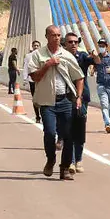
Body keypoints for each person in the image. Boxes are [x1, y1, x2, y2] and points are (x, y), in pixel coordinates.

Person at [28, 25, 84, 181]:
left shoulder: (67, 55)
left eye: (59, 35)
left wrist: (78, 97)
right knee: (50, 133)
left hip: (65, 100)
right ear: (47, 36)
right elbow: (35, 78)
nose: (57, 38)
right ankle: (51, 159)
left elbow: (79, 77)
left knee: (68, 136)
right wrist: (47, 64)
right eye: (53, 35)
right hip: (47, 102)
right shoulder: (37, 55)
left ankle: (65, 168)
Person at [63, 32, 100, 174]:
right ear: (65, 44)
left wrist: (95, 54)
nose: (73, 44)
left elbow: (97, 62)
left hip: (82, 97)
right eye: (70, 42)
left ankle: (78, 159)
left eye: (75, 42)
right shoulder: (61, 57)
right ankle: (71, 161)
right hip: (65, 97)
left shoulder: (82, 56)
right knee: (68, 129)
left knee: (79, 130)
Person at [22, 40, 41, 123]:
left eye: (37, 46)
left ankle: (44, 115)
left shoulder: (42, 55)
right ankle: (37, 116)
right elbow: (26, 67)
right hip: (32, 80)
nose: (36, 47)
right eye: (34, 46)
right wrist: (25, 78)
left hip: (42, 80)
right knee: (35, 99)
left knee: (43, 98)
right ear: (32, 46)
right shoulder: (28, 56)